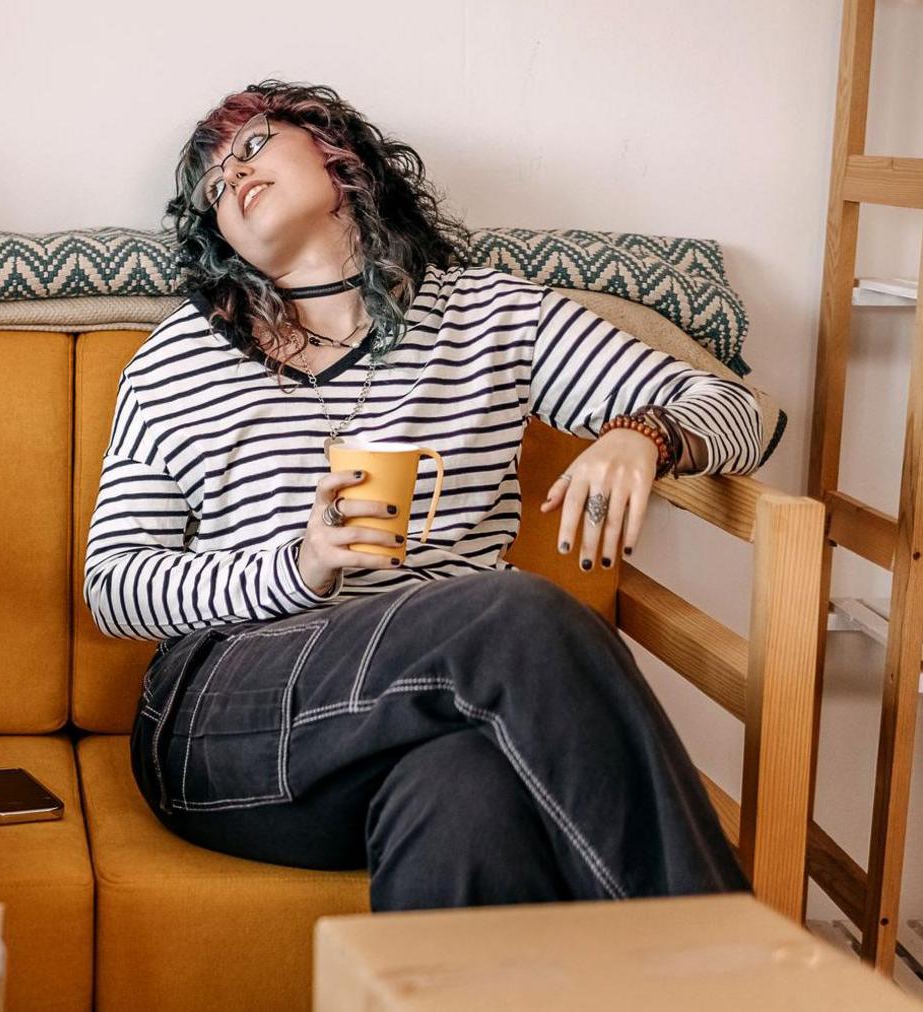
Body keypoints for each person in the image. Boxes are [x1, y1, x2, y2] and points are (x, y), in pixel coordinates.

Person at [84, 80, 759, 909]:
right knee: (517, 612)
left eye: (252, 145)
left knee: (470, 794)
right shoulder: (181, 355)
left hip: (430, 724)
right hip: (229, 721)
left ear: (342, 157)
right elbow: (112, 588)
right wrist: (297, 566)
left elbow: (740, 410)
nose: (233, 177)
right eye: (214, 188)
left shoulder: (490, 317)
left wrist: (645, 434)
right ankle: (724, 968)